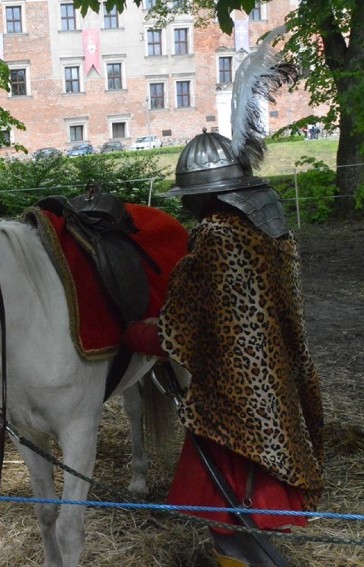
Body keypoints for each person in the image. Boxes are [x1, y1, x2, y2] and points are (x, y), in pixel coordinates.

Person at [125, 128, 324, 566]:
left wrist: (133, 332)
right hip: (276, 401)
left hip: (231, 410)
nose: (185, 205)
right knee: (240, 517)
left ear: (209, 195)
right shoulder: (273, 239)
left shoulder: (214, 240)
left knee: (228, 521)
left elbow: (177, 333)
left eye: (189, 196)